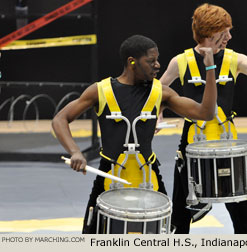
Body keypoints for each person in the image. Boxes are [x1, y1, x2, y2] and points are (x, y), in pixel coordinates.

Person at [52, 34, 218, 233]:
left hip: (149, 178)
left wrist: (210, 69)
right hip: (108, 177)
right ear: (132, 62)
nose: (157, 65)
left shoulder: (161, 93)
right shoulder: (100, 90)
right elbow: (60, 119)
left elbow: (206, 113)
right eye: (151, 61)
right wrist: (75, 152)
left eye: (157, 60)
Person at [160, 3, 247, 234]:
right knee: (181, 216)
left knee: (242, 213)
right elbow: (157, 92)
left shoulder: (235, 59)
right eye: (225, 32)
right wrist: (157, 115)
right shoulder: (180, 62)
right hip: (191, 144)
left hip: (227, 144)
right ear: (211, 33)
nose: (230, 37)